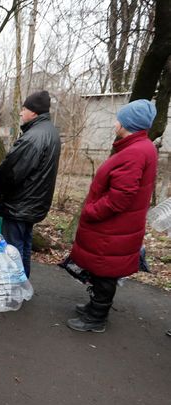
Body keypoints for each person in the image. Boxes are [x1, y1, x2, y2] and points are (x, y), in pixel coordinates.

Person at [66, 99, 158, 333]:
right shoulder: (138, 147)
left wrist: (91, 211)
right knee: (101, 270)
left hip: (113, 228)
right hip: (117, 227)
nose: (115, 122)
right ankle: (94, 308)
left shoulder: (135, 152)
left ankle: (96, 318)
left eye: (119, 118)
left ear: (129, 123)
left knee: (105, 271)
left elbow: (121, 197)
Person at [0, 90, 61, 278]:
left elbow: (12, 173)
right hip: (34, 202)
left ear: (33, 112)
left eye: (23, 109)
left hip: (20, 203)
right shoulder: (50, 132)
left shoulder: (33, 137)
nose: (20, 112)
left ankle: (14, 287)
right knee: (23, 244)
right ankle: (22, 283)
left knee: (13, 248)